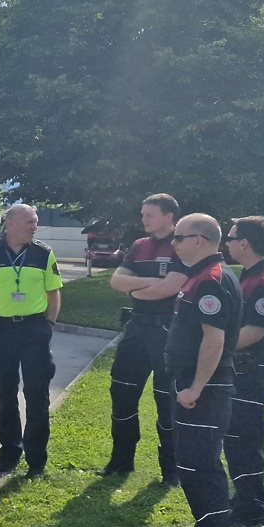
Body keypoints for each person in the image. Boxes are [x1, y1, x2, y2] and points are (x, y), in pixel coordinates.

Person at [162, 213, 241, 527]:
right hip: (197, 382)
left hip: (204, 387)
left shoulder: (210, 279)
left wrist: (195, 387)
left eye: (179, 237)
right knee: (194, 463)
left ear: (199, 239)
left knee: (199, 466)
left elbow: (214, 339)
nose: (174, 243)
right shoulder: (205, 275)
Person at [0, 204, 63, 478]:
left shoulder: (43, 254)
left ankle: (36, 461)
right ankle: (9, 453)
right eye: (29, 221)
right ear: (10, 223)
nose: (34, 227)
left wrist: (48, 327)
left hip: (34, 331)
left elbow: (54, 294)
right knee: (6, 395)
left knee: (36, 396)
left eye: (36, 222)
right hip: (1, 330)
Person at [100, 193, 187, 481]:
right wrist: (150, 283)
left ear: (169, 216)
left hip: (166, 332)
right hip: (136, 328)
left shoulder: (181, 246)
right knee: (122, 392)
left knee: (166, 400)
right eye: (142, 214)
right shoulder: (139, 246)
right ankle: (121, 460)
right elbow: (116, 281)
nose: (143, 219)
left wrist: (134, 288)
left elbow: (171, 288)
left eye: (149, 214)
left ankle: (171, 470)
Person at [223, 216, 264, 527]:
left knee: (244, 439)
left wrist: (214, 348)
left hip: (253, 367)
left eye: (231, 238)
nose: (228, 243)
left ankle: (253, 512)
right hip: (245, 366)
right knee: (235, 439)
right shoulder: (250, 274)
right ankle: (244, 500)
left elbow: (256, 330)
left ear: (244, 243)